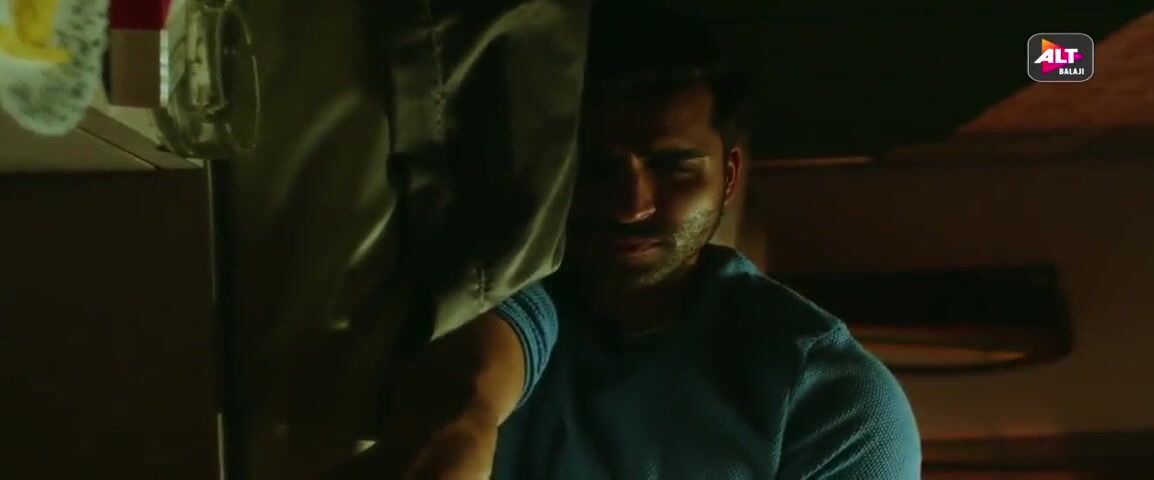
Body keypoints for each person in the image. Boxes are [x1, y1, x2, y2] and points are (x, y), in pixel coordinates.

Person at [490, 4, 922, 479]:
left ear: (728, 177)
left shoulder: (829, 402)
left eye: (672, 167)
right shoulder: (489, 313)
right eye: (595, 167)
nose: (630, 205)